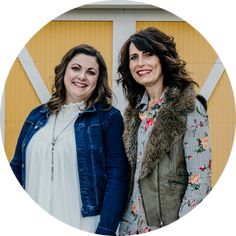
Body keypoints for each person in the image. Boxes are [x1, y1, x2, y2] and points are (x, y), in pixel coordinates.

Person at [10, 44, 129, 235]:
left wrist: (106, 229)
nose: (82, 76)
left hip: (84, 223)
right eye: (76, 68)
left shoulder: (107, 117)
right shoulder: (37, 115)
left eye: (91, 72)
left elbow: (118, 176)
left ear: (98, 80)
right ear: (64, 70)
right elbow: (16, 167)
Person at [117, 27, 212, 234]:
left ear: (163, 58)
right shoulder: (133, 113)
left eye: (148, 54)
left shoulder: (188, 108)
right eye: (134, 57)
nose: (140, 63)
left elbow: (199, 179)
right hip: (129, 226)